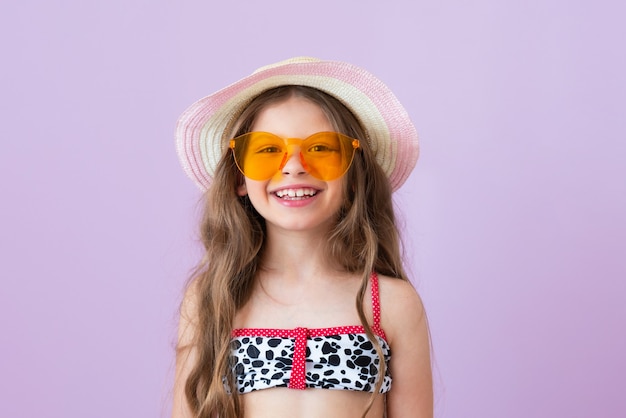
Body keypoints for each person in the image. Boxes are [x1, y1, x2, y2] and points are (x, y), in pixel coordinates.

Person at [172, 57, 432, 418]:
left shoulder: (392, 304)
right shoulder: (212, 299)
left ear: (354, 177)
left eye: (321, 149)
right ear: (239, 179)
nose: (294, 166)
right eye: (267, 151)